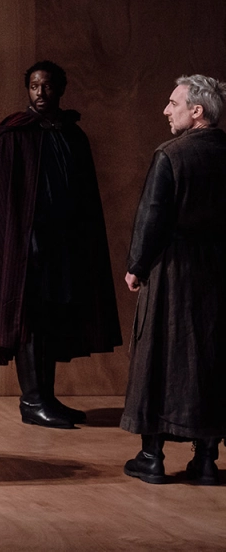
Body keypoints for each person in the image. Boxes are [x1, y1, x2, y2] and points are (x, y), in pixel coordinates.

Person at [0, 61, 121, 428]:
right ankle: (33, 401)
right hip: (26, 252)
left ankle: (46, 398)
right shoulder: (14, 135)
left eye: (47, 86)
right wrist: (24, 245)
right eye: (34, 86)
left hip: (63, 248)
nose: (40, 93)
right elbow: (5, 202)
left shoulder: (72, 135)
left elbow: (82, 198)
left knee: (51, 321)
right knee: (30, 322)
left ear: (60, 89)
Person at [121, 74, 226, 485]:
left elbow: (153, 217)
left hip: (174, 272)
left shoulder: (171, 155)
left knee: (159, 355)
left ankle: (152, 457)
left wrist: (136, 265)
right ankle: (207, 460)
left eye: (173, 103)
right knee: (213, 358)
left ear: (196, 111)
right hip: (219, 273)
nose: (166, 110)